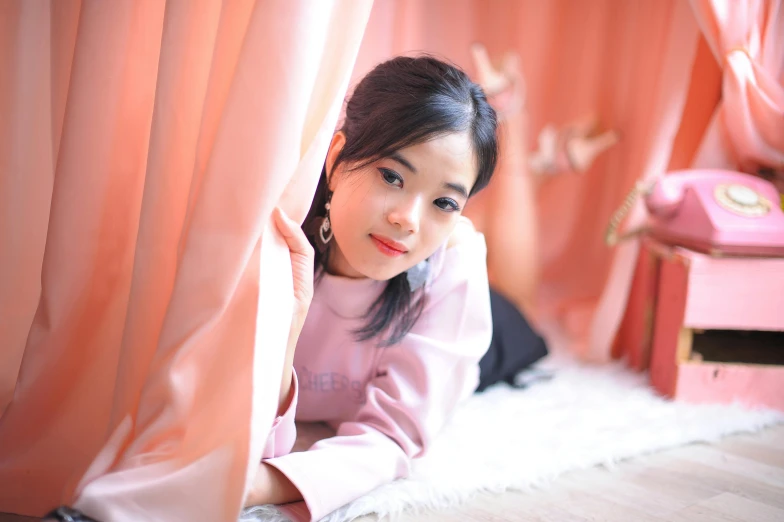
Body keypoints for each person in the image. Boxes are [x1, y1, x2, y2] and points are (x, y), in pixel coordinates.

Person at [244, 55, 547, 522]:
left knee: (519, 304)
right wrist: (287, 332)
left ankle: (521, 127)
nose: (407, 218)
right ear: (338, 156)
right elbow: (250, 422)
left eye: (444, 202)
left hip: (473, 336)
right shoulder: (274, 240)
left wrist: (258, 486)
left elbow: (391, 439)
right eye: (392, 176)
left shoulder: (452, 266)